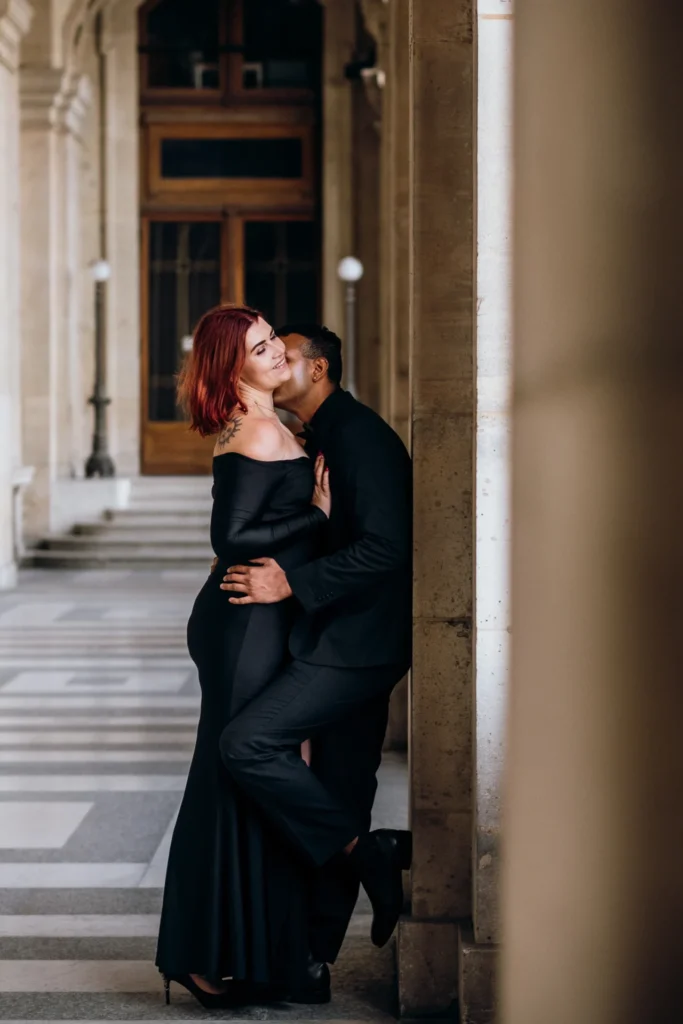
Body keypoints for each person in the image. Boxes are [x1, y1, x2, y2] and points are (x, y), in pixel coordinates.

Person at [218, 324, 413, 1003]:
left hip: (352, 647)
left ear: (319, 369)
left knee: (247, 742)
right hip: (336, 639)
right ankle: (310, 961)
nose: (274, 359)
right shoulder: (314, 433)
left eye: (285, 352)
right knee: (340, 789)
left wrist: (290, 586)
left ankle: (368, 854)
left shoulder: (359, 436)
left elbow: (388, 548)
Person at [155, 305, 332, 1009]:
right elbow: (232, 536)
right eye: (260, 349)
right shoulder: (254, 429)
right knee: (233, 773)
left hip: (259, 616)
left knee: (247, 773)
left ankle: (240, 950)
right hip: (242, 622)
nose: (275, 353)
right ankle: (200, 956)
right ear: (233, 369)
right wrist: (313, 516)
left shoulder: (274, 424)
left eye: (271, 342)